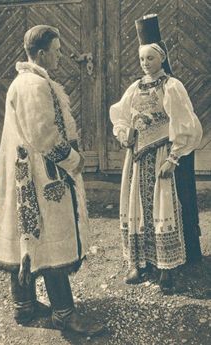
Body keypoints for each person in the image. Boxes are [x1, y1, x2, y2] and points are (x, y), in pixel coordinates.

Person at [0, 25, 104, 336]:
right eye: (55, 51)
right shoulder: (32, 85)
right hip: (40, 175)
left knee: (24, 235)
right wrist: (73, 160)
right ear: (40, 54)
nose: (58, 57)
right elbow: (45, 136)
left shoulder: (28, 81)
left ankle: (24, 307)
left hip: (25, 171)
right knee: (53, 238)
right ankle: (65, 314)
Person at [110, 14, 203, 293]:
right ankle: (138, 263)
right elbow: (121, 115)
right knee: (137, 207)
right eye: (141, 60)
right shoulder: (135, 88)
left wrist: (174, 158)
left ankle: (167, 267)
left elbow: (186, 124)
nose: (145, 64)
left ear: (160, 58)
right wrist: (124, 131)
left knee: (163, 208)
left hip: (161, 155)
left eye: (150, 59)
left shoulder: (171, 87)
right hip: (137, 158)